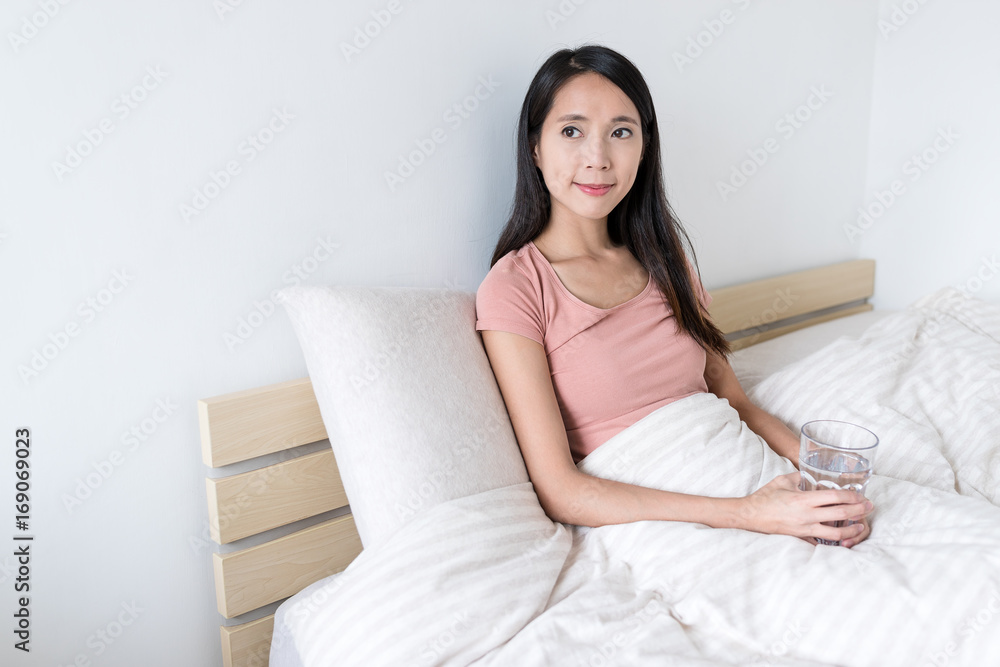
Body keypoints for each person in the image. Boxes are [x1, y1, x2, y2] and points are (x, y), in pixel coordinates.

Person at [475, 44, 872, 548]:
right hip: (667, 521)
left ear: (644, 148)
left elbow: (736, 405)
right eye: (571, 131)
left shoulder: (665, 261)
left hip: (747, 478)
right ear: (534, 147)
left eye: (621, 132)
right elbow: (561, 491)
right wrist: (747, 515)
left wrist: (825, 476)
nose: (597, 158)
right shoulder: (516, 286)